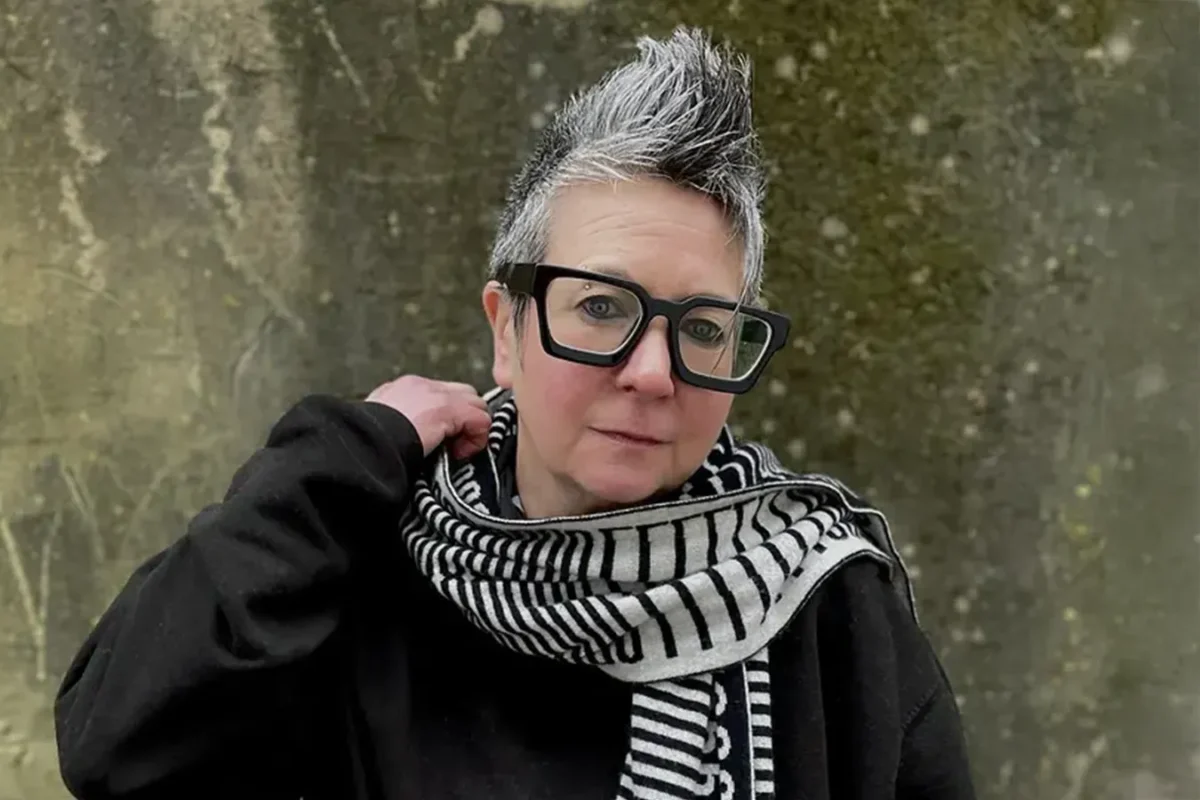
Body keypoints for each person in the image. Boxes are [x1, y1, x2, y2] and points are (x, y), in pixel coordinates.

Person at [54, 26, 976, 800]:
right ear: (508, 329)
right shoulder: (368, 570)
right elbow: (116, 745)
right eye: (601, 308)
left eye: (703, 327)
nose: (652, 373)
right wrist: (340, 458)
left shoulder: (821, 606)